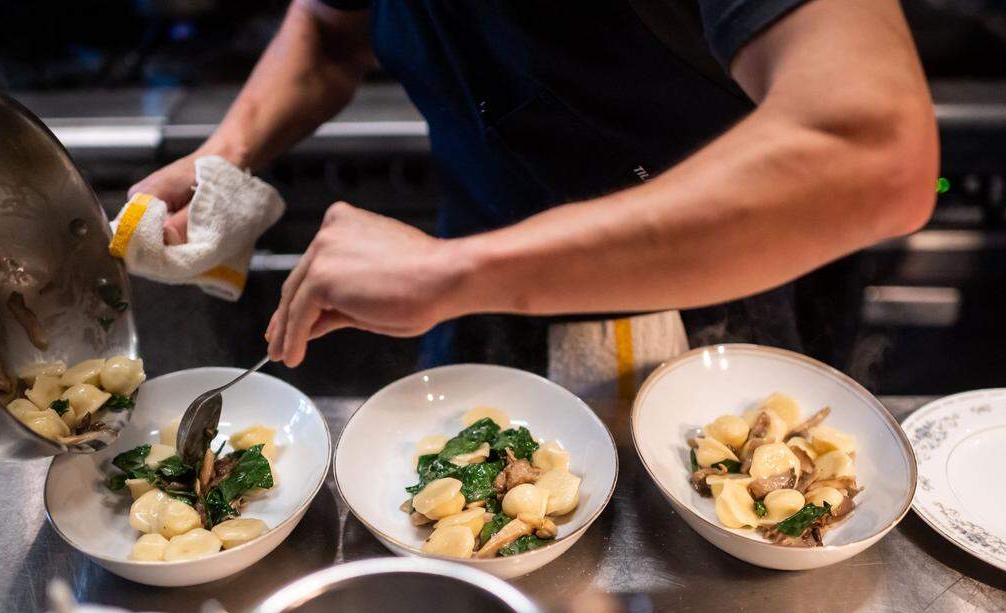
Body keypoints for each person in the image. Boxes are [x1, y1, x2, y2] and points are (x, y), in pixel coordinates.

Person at [130, 0, 937, 389]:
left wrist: (449, 273)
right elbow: (330, 26)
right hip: (472, 287)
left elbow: (874, 151)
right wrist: (227, 156)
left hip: (727, 303)